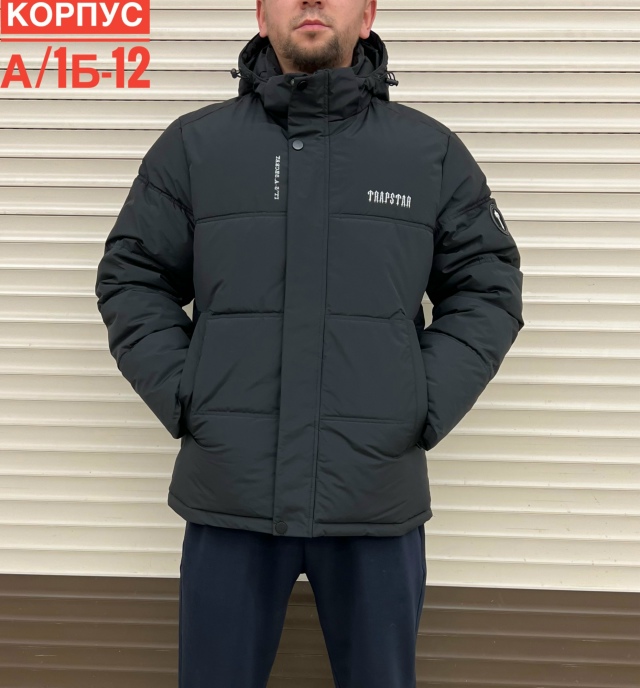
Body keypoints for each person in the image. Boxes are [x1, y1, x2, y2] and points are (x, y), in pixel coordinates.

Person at [94, 0, 525, 685]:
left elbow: (487, 290)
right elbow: (133, 277)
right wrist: (188, 393)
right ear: (262, 14)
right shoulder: (196, 148)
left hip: (374, 499)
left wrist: (417, 402)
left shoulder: (428, 154)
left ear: (368, 14)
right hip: (231, 495)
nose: (314, 1)